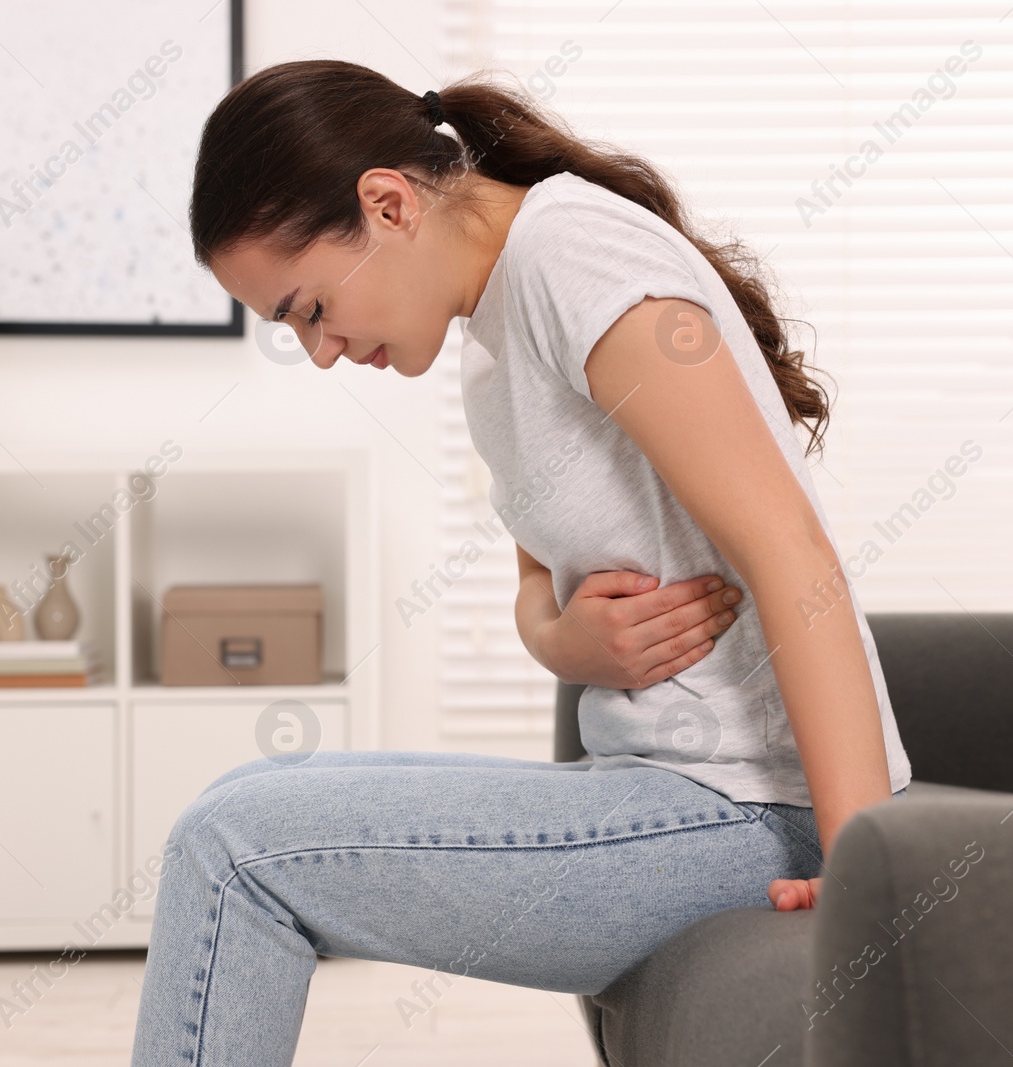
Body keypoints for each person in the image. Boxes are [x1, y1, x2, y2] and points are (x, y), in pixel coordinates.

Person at [131, 59, 912, 1066]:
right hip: (662, 785)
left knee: (232, 845)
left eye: (310, 309)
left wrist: (863, 860)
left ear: (388, 202)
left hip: (748, 808)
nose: (321, 353)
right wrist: (567, 638)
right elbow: (537, 586)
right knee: (230, 809)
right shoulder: (494, 322)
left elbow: (790, 548)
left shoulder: (570, 259)